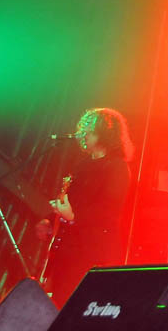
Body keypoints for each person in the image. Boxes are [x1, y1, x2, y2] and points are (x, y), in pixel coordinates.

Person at [37, 107, 133, 306]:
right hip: (69, 250)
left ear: (105, 134)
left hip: (93, 252)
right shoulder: (83, 165)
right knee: (59, 301)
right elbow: (71, 200)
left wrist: (74, 216)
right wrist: (50, 218)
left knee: (77, 304)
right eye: (83, 129)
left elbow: (109, 210)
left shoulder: (117, 167)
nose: (83, 135)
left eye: (90, 130)